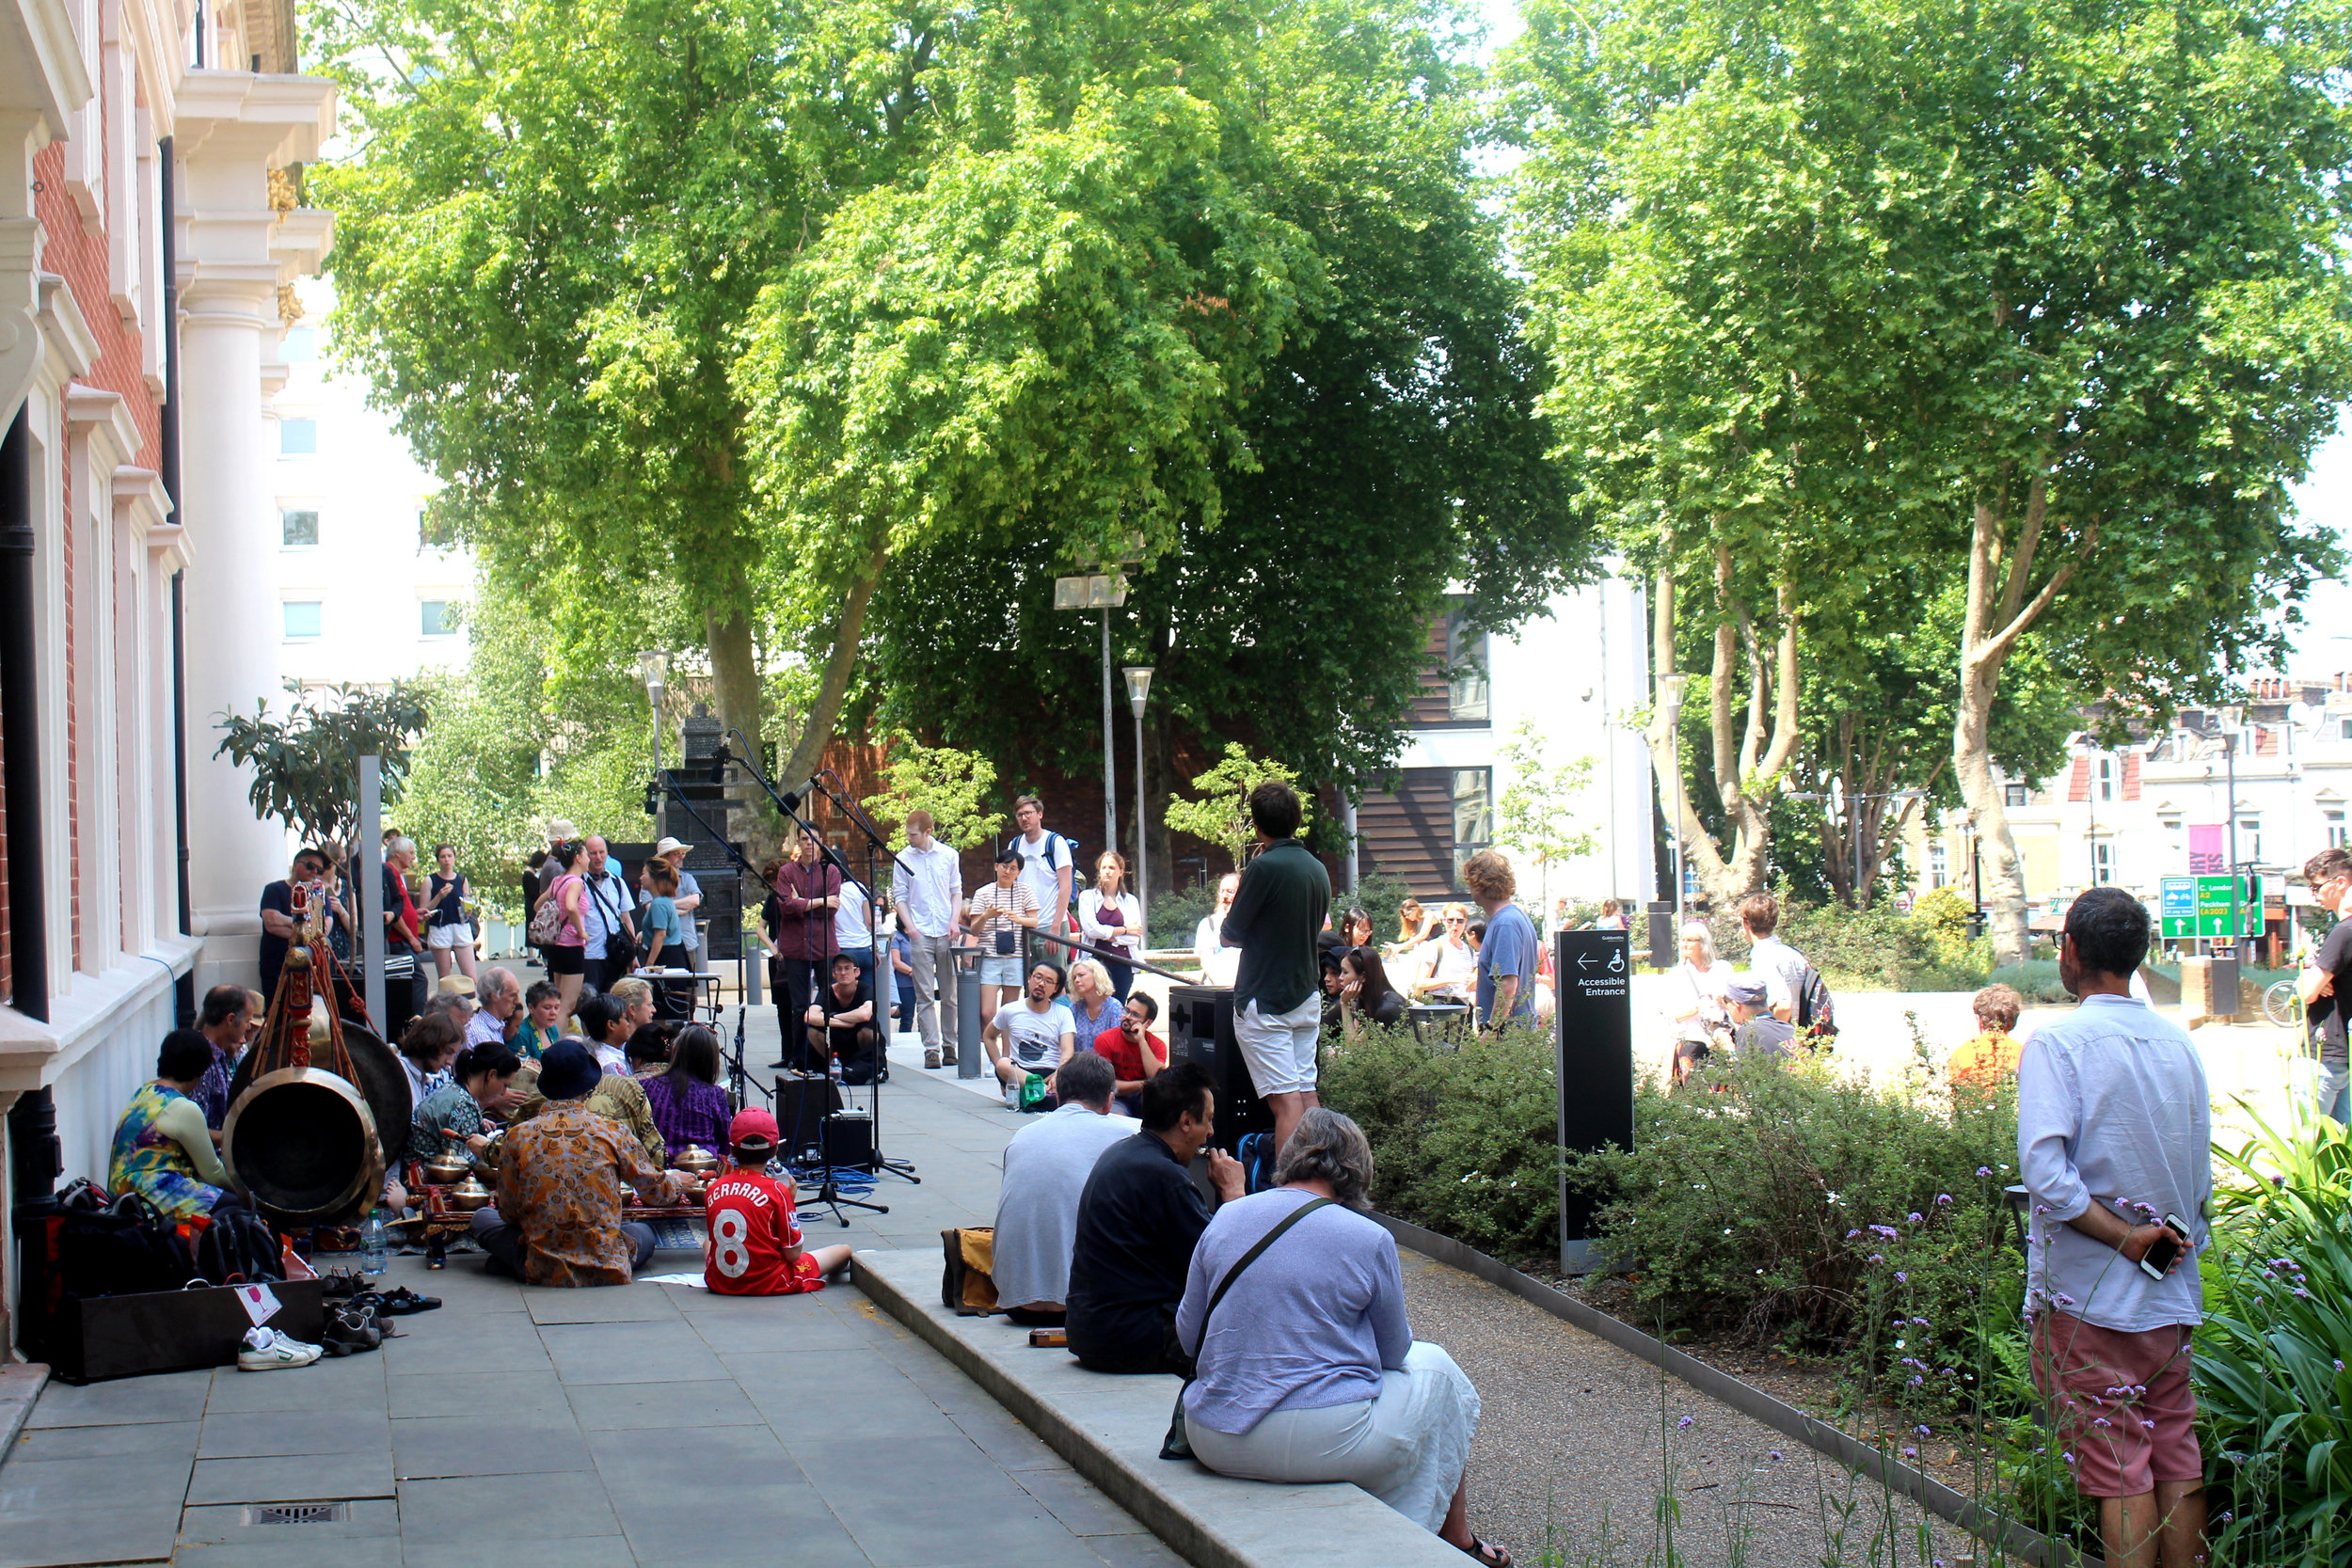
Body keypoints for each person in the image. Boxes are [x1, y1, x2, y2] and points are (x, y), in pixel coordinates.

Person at [1177, 1109, 1502, 1563]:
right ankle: (1449, 1540)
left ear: (1289, 1157)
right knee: (1439, 1369)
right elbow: (1395, 1352)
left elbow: (1189, 1336)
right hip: (1323, 1440)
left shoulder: (1227, 1218)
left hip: (1214, 1435)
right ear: (1358, 1169)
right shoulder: (1368, 1238)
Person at [2018, 886, 2211, 1568]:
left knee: (2118, 1465)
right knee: (2176, 1454)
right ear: (2140, 954)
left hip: (2088, 1295)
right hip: (2169, 1289)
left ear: (2069, 950)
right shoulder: (2178, 1043)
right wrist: (2171, 1244)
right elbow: (2199, 1175)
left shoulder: (2059, 1042)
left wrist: (2125, 1237)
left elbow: (2045, 1173)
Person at [1065, 1061, 1246, 1372]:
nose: (1211, 1133)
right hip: (1133, 1337)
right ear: (1186, 1122)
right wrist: (1234, 1196)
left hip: (1095, 1329)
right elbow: (1224, 1263)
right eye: (1209, 1121)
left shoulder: (1125, 1153)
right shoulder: (1163, 1175)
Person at [471, 1040, 689, 1286]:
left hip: (542, 1264)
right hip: (605, 1262)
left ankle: (514, 1263)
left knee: (482, 1218)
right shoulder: (613, 1131)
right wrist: (676, 1183)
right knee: (644, 1233)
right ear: (587, 1088)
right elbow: (656, 1192)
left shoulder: (518, 1136)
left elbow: (509, 1212)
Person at [1223, 782, 1332, 1158]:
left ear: (1256, 826)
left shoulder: (1263, 866)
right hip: (1306, 996)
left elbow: (1230, 933)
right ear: (1297, 820)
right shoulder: (1317, 868)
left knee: (1285, 1104)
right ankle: (1323, 1177)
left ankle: (1289, 1193)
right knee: (1306, 1093)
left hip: (1265, 1001)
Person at [991, 1053, 1138, 1319]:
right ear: (1109, 1103)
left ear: (1057, 1095)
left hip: (1015, 1303)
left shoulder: (1023, 1135)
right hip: (1081, 1305)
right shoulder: (1128, 1135)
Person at [703, 1109, 853, 1295]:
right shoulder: (777, 1191)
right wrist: (789, 1202)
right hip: (770, 1281)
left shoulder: (714, 1188)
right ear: (775, 1150)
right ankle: (838, 1269)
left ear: (732, 1149)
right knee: (843, 1250)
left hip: (720, 1283)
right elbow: (793, 1254)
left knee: (707, 1243)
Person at [508, 994, 667, 1166]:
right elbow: (651, 1162)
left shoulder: (523, 1133)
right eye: (625, 1019)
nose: (629, 1023)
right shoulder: (611, 1131)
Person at [110, 1030, 240, 1220]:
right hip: (154, 1195)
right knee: (236, 1207)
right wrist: (248, 1191)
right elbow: (212, 1172)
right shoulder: (183, 1108)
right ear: (198, 1071)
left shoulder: (145, 1092)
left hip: (122, 1192)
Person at [892, 808, 966, 1069]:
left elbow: (955, 891)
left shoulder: (948, 855)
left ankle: (950, 1045)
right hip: (920, 930)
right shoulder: (902, 858)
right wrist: (910, 928)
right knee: (924, 993)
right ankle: (931, 1048)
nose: (909, 838)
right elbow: (899, 896)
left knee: (950, 993)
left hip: (946, 930)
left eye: (913, 834)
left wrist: (954, 920)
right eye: (907, 833)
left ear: (928, 832)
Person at [769, 829, 844, 1070]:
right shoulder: (786, 872)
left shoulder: (830, 871)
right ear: (798, 843)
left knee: (826, 1004)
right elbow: (785, 907)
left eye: (813, 839)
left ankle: (825, 1054)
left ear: (821, 841)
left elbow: (831, 910)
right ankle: (797, 1057)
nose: (809, 844)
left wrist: (801, 902)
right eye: (804, 839)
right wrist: (818, 901)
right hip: (795, 948)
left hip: (824, 946)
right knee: (799, 1006)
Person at [2296, 846, 2352, 1125]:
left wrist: (2309, 976)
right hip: (2344, 1054)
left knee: (2308, 1148)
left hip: (2324, 1053)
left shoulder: (2344, 932)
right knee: (2343, 1151)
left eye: (2316, 887)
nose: (2315, 895)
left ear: (2340, 883)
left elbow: (2305, 992)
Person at [1462, 850, 1537, 1035]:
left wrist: (1491, 1029)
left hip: (1506, 1036)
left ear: (1478, 884)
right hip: (1513, 1032)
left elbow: (1508, 984)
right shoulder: (1515, 917)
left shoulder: (1506, 924)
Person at [408, 1042, 522, 1164]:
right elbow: (466, 1162)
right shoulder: (461, 1104)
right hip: (424, 1176)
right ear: (492, 1075)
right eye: (505, 1085)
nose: (504, 1092)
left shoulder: (454, 1090)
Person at [985, 960, 1077, 1110]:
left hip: (1052, 1072)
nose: (1041, 984)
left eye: (1048, 981)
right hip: (1020, 1071)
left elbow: (1068, 1050)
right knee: (1003, 1064)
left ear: (1055, 988)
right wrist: (1001, 1074)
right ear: (1029, 979)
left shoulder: (1063, 1013)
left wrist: (1058, 1073)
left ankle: (1033, 1096)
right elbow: (989, 1036)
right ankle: (1042, 1094)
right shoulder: (1010, 1010)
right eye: (1038, 977)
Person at [968, 846, 1041, 1022]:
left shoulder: (1024, 891)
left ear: (1019, 872)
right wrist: (986, 915)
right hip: (989, 956)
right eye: (1004, 866)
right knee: (987, 1012)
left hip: (1015, 956)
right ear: (996, 867)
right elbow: (974, 930)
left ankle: (1005, 1048)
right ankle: (988, 1043)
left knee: (1009, 1010)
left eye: (1013, 868)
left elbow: (1034, 921)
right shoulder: (983, 893)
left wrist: (1018, 918)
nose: (1007, 871)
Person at [646, 1023, 735, 1158]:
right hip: (704, 1169)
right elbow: (725, 1143)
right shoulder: (714, 1095)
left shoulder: (647, 1086)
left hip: (657, 1168)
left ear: (675, 1051)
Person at [257, 847, 332, 1002]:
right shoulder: (274, 889)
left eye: (319, 870)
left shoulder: (320, 894)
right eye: (310, 866)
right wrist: (305, 927)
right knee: (278, 1016)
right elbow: (271, 921)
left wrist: (295, 927)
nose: (314, 872)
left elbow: (325, 927)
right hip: (278, 968)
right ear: (297, 864)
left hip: (313, 969)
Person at [805, 952, 884, 1085]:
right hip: (837, 1041)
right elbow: (809, 1016)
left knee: (869, 1024)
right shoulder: (827, 991)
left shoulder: (866, 989)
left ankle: (871, 1066)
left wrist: (832, 1016)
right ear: (833, 973)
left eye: (847, 968)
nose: (843, 973)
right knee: (811, 1029)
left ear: (857, 972)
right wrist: (845, 1022)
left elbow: (865, 1014)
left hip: (860, 1043)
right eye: (839, 969)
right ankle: (831, 1065)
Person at [1669, 922, 1732, 1085]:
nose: (1685, 944)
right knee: (1692, 1092)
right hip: (1692, 1039)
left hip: (1720, 1037)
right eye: (1682, 939)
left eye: (1690, 940)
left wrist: (1722, 1000)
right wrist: (1700, 1008)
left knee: (1721, 1090)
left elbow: (1736, 1004)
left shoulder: (1723, 969)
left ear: (1703, 943)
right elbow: (1674, 1016)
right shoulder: (1677, 974)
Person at [577, 835, 640, 998]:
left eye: (601, 852)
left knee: (614, 1004)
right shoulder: (578, 884)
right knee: (589, 1005)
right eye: (593, 853)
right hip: (589, 955)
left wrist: (632, 955)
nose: (598, 857)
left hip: (615, 955)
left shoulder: (617, 882)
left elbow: (626, 919)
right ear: (585, 855)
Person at [1737, 893, 1811, 1024]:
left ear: (1745, 922)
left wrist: (1774, 1032)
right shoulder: (1793, 954)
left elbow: (1784, 1005)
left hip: (1784, 1040)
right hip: (1802, 1034)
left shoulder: (1763, 956)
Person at [1078, 851, 1144, 998]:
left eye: (1112, 867)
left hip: (1122, 963)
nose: (1107, 871)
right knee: (1093, 1006)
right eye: (1104, 867)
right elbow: (1091, 931)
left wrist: (1107, 935)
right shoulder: (1088, 897)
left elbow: (1134, 938)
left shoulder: (1130, 900)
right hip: (1093, 963)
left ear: (1121, 871)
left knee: (1117, 1008)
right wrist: (1124, 930)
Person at [1092, 991, 1168, 1117]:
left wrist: (1141, 1041)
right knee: (1119, 1119)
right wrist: (1143, 1084)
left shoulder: (1157, 1045)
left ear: (1148, 1023)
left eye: (1135, 1015)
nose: (1128, 1017)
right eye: (1127, 1011)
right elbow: (1106, 1084)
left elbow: (1156, 1076)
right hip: (1115, 1096)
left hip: (1145, 1097)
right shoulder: (1105, 1039)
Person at [540, 838, 591, 1022]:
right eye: (586, 854)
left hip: (555, 945)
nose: (589, 858)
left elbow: (539, 904)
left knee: (558, 1001)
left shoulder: (557, 881)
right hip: (571, 946)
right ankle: (558, 1044)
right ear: (578, 858)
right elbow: (571, 906)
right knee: (567, 1005)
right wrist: (581, 931)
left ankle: (551, 1041)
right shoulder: (576, 882)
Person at [191, 984, 253, 1133]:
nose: (249, 1027)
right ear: (231, 1019)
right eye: (247, 1021)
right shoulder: (200, 1059)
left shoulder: (222, 1054)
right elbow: (194, 1131)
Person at [1010, 795, 1075, 939]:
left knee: (1052, 963)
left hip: (1050, 925)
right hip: (1025, 927)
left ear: (1040, 814)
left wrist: (1056, 927)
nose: (1024, 818)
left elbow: (1066, 887)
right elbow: (1010, 885)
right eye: (1019, 815)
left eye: (1028, 813)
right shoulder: (1014, 846)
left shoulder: (1055, 843)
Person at [641, 835, 704, 971]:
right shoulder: (650, 885)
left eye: (682, 854)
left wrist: (666, 907)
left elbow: (695, 900)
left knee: (687, 988)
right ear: (664, 857)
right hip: (661, 949)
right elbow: (651, 909)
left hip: (687, 941)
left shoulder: (688, 879)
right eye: (677, 854)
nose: (681, 857)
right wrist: (674, 909)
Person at [1949, 983, 2027, 1088]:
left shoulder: (1962, 1053)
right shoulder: (2024, 1054)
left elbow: (1951, 1090)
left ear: (1979, 1019)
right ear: (2013, 1019)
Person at [424, 843, 478, 982]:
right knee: (444, 978)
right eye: (443, 857)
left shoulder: (462, 879)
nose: (446, 860)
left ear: (454, 858)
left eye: (449, 856)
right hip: (440, 927)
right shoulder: (430, 880)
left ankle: (473, 1002)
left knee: (471, 978)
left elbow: (467, 901)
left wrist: (468, 909)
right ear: (438, 860)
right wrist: (439, 896)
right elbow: (424, 910)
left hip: (461, 925)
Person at [1407, 904, 1478, 1003]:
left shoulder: (1469, 950)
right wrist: (1452, 979)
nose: (1455, 924)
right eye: (1450, 920)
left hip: (1464, 1004)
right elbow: (1421, 983)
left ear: (1465, 922)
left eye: (1460, 921)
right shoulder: (1435, 946)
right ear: (1444, 921)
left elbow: (1473, 981)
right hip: (1440, 1003)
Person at [395, 1008, 465, 1108]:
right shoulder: (399, 1075)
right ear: (430, 1042)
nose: (450, 1062)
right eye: (448, 1051)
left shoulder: (421, 1077)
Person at [1337, 946, 1407, 1037]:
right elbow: (1354, 1038)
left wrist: (1344, 1004)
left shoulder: (1387, 1010)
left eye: (1345, 972)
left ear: (1363, 977)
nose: (1340, 978)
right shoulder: (1365, 1000)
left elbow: (1354, 1047)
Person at [1064, 958, 1122, 1061]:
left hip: (1106, 1069)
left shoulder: (1114, 1007)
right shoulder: (1074, 1008)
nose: (1077, 980)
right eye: (1074, 978)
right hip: (1077, 1068)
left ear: (1097, 976)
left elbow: (1117, 1044)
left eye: (1081, 975)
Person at [1724, 977, 1794, 1061]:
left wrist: (1729, 1049)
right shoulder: (1789, 1028)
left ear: (1736, 1005)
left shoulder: (1749, 1031)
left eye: (1725, 1002)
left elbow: (1743, 1072)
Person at [1193, 874, 1242, 987]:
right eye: (1221, 891)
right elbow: (1207, 961)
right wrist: (1225, 987)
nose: (1224, 896)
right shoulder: (1208, 924)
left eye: (1230, 892)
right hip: (1219, 990)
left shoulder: (1250, 925)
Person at [467, 966, 526, 1051]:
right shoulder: (480, 1034)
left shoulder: (496, 1027)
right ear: (494, 996)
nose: (517, 1001)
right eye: (512, 995)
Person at [514, 979, 565, 1060]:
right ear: (531, 1008)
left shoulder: (553, 1029)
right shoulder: (521, 1034)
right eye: (547, 1008)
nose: (553, 1013)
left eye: (556, 1007)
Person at [888, 920, 917, 1036]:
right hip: (905, 984)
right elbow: (895, 962)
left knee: (924, 1015)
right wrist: (913, 972)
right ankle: (905, 1040)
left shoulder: (919, 935)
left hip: (922, 982)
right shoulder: (897, 937)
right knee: (907, 1017)